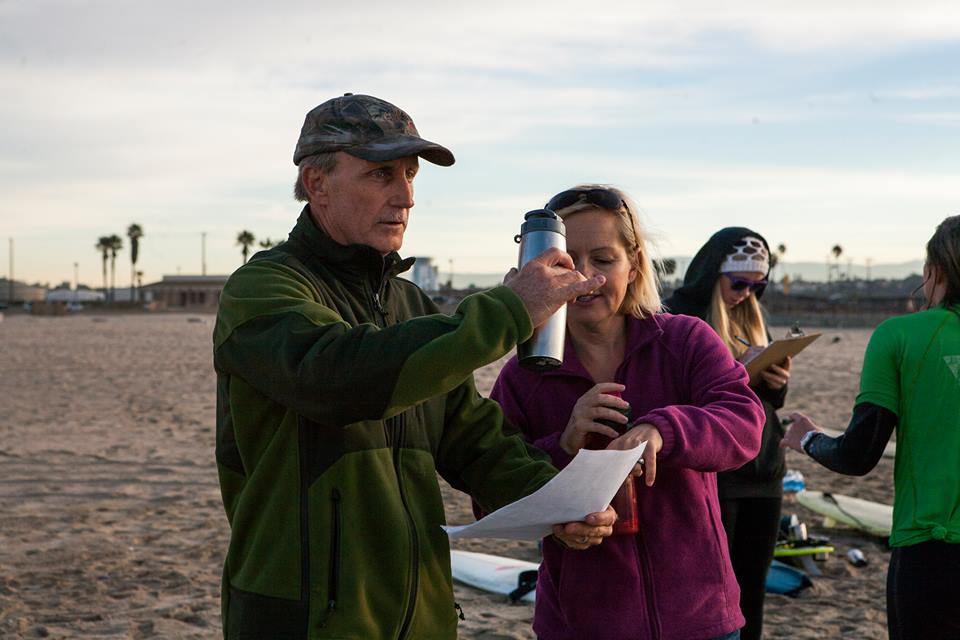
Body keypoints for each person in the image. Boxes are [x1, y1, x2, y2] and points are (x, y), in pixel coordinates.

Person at [212, 94, 616, 640]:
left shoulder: (409, 304)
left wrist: (557, 502)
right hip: (308, 618)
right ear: (317, 183)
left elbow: (472, 438)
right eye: (381, 175)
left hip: (419, 614)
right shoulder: (263, 289)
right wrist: (509, 309)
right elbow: (341, 380)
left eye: (409, 175)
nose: (405, 196)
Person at [491, 185, 765, 640]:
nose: (584, 276)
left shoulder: (684, 340)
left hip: (699, 618)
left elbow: (744, 423)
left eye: (603, 259)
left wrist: (663, 430)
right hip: (580, 624)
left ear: (634, 264)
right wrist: (563, 446)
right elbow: (493, 493)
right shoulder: (526, 374)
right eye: (566, 262)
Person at [782, 216, 960, 640]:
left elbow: (858, 456)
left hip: (932, 550)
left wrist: (807, 437)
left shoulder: (900, 335)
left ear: (933, 271)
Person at [664, 228, 789, 640]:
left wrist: (775, 379)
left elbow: (769, 406)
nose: (747, 293)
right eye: (739, 283)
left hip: (765, 471)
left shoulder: (749, 315)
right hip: (715, 474)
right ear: (713, 274)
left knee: (753, 590)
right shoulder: (681, 318)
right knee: (713, 596)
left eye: (759, 285)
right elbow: (671, 395)